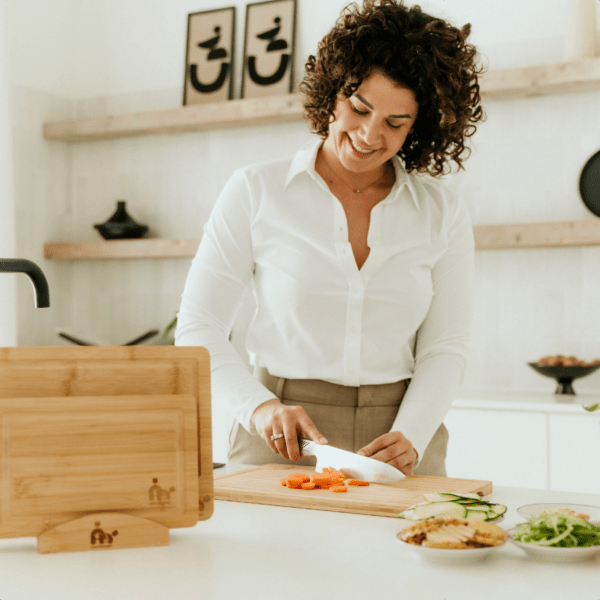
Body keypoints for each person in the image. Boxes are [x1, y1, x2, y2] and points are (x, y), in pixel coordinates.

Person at [176, 0, 484, 477]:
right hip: (281, 433)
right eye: (359, 108)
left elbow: (445, 345)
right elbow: (197, 325)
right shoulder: (256, 190)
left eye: (395, 123)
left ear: (418, 126)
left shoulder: (441, 211)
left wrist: (414, 434)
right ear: (333, 93)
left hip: (402, 437)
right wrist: (259, 409)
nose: (369, 133)